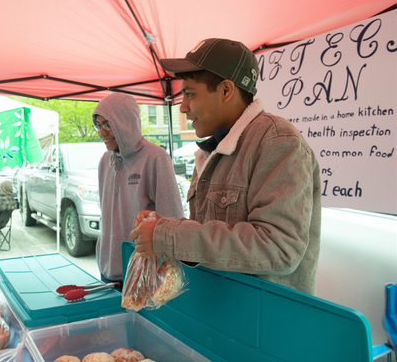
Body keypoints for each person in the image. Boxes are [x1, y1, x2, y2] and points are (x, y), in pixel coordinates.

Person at [131, 38, 321, 295]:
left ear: (226, 90)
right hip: (221, 313)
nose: (183, 107)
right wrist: (162, 226)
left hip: (265, 322)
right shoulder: (212, 148)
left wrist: (168, 236)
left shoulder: (278, 142)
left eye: (189, 94)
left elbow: (279, 248)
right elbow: (213, 234)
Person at [92, 92, 184, 288]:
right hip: (107, 269)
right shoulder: (104, 161)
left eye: (108, 124)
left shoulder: (155, 158)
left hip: (142, 273)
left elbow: (173, 219)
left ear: (125, 122)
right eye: (98, 125)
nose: (102, 132)